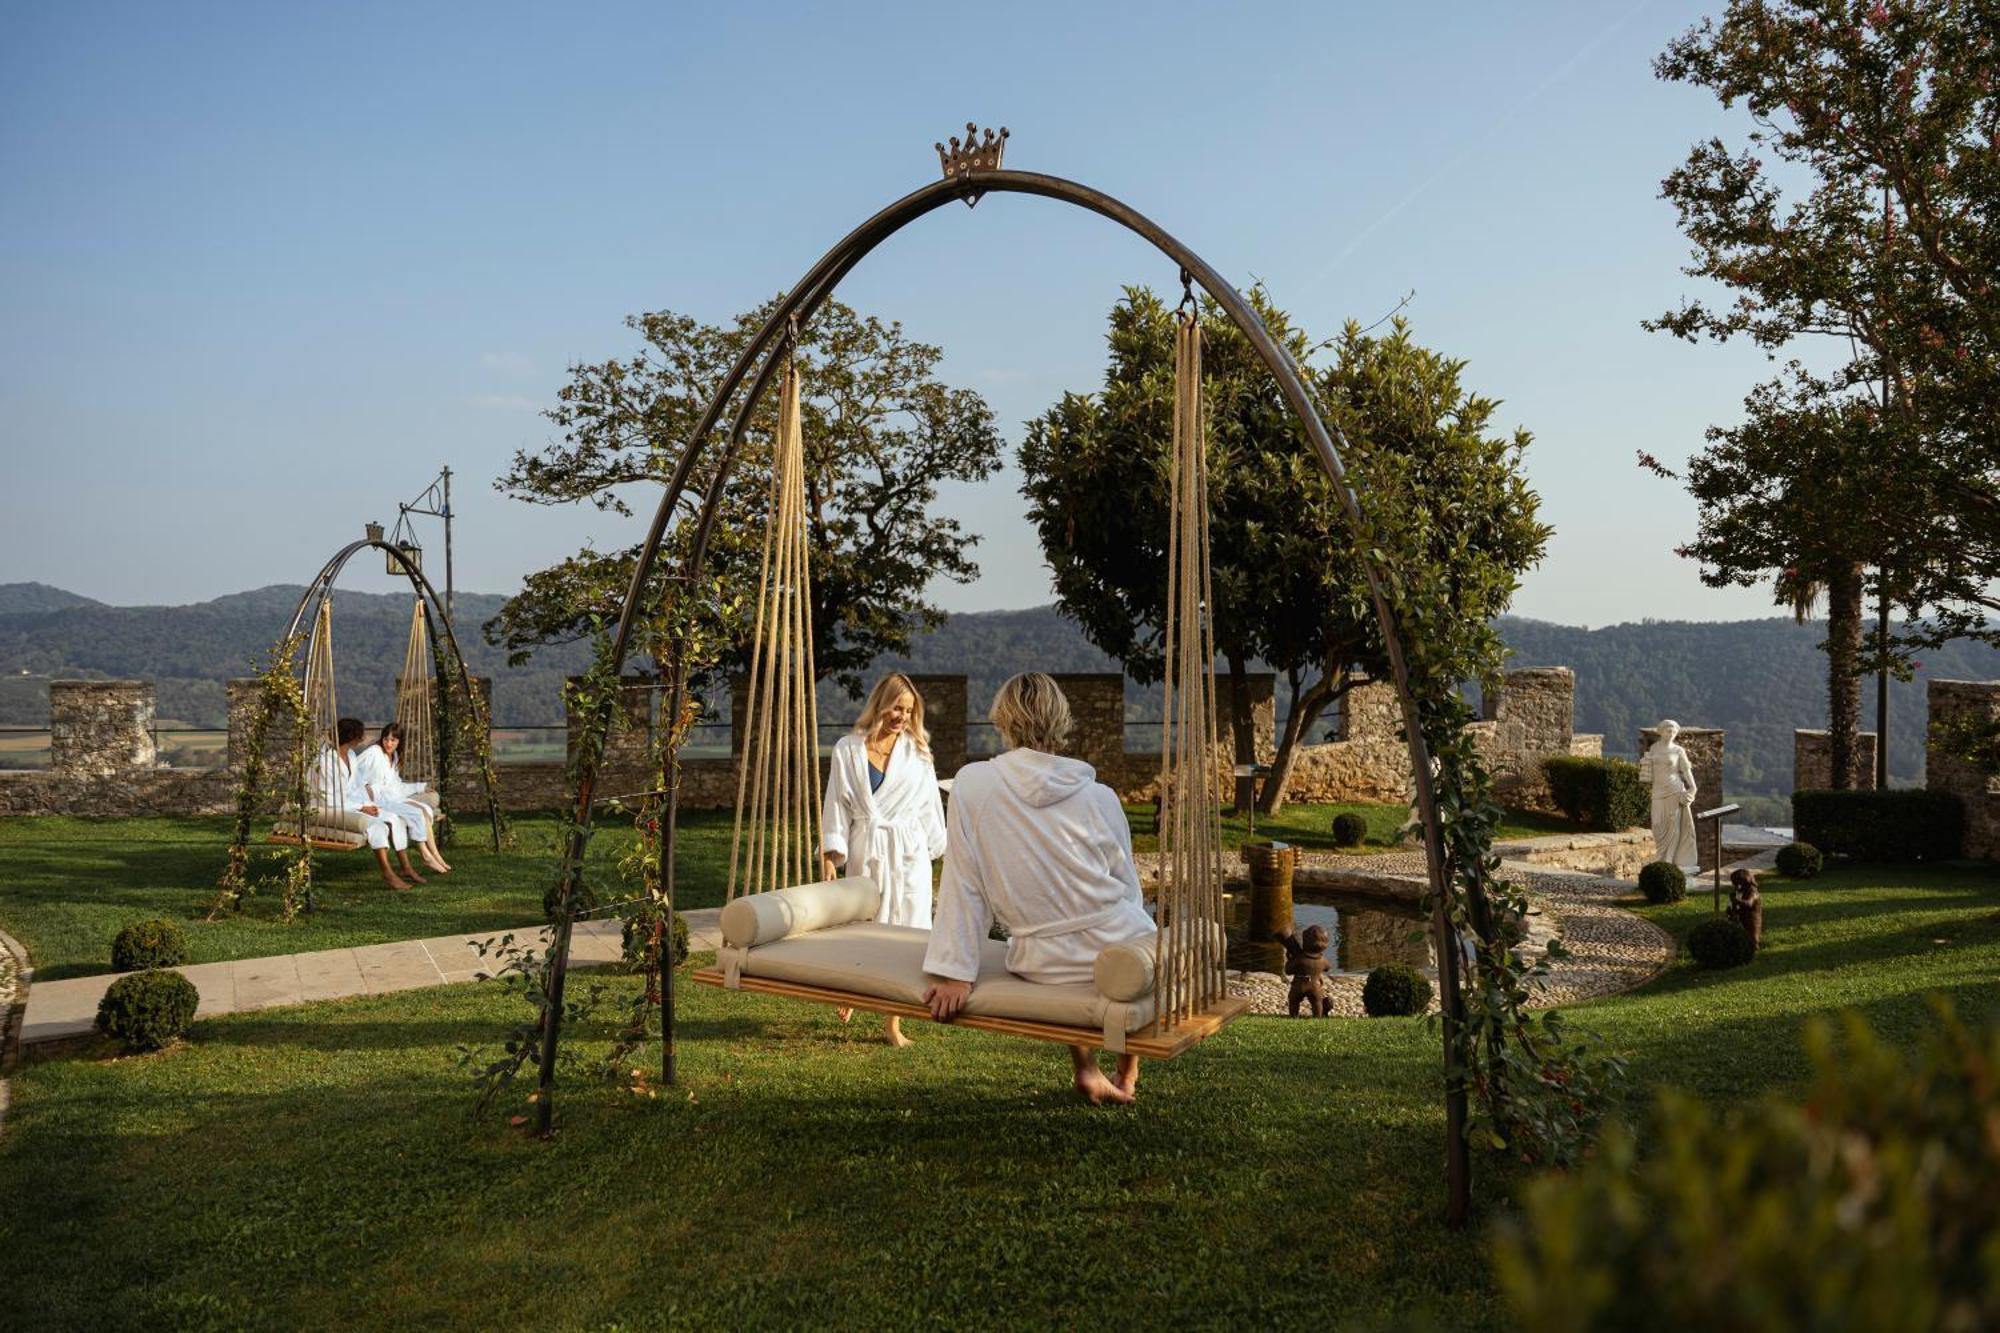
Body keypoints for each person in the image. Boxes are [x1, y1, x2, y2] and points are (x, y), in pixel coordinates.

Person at [921, 673, 1154, 1105]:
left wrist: (956, 972)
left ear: (1002, 722)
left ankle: (1086, 1070)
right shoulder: (1100, 796)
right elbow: (1127, 887)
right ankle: (1128, 1076)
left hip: (1042, 961)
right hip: (1117, 947)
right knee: (1132, 963)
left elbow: (964, 883)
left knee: (1066, 946)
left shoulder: (972, 784)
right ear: (1061, 720)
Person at [820, 672, 947, 1047]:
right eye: (896, 707)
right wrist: (830, 854)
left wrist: (938, 850)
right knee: (864, 926)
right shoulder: (848, 749)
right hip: (867, 847)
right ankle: (853, 991)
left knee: (908, 931)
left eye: (909, 711)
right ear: (880, 704)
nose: (902, 717)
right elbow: (837, 804)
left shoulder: (919, 753)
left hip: (907, 853)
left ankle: (893, 1024)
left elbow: (928, 809)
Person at [314, 717, 417, 890]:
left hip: (354, 803)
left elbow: (358, 784)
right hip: (333, 807)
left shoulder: (352, 755)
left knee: (395, 818)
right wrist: (362, 807)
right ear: (352, 737)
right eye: (360, 735)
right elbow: (329, 797)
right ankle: (388, 873)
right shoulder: (326, 762)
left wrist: (369, 803)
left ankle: (406, 868)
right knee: (378, 826)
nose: (363, 738)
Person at [353, 721, 451, 876]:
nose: (389, 743)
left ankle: (435, 855)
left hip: (391, 797)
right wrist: (365, 787)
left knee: (424, 811)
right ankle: (426, 855)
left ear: (399, 742)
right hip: (377, 799)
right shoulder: (374, 752)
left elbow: (396, 786)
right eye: (386, 739)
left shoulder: (394, 757)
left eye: (393, 740)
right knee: (416, 813)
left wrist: (421, 787)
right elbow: (353, 769)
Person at [1638, 718, 1699, 868]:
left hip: (1674, 789)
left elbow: (1686, 771)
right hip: (1658, 790)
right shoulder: (1654, 748)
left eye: (1674, 731)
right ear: (1661, 732)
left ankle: (1668, 860)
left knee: (1673, 826)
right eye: (1668, 730)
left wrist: (1693, 787)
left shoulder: (1679, 751)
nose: (1671, 733)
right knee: (1657, 824)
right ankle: (1661, 855)